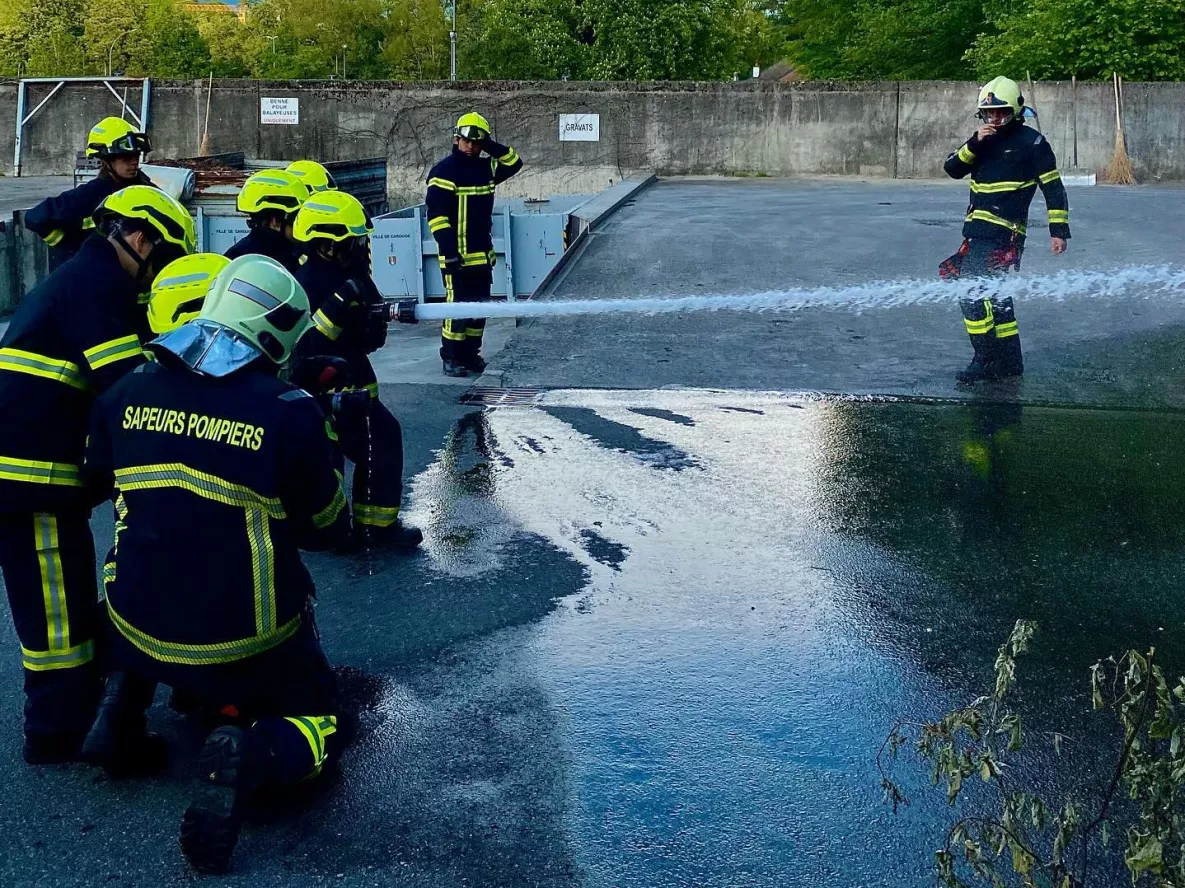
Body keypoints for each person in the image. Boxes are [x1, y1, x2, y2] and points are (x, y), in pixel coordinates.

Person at [82, 255, 352, 874]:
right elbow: (326, 530)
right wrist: (323, 433)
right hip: (243, 642)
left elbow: (100, 476)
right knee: (328, 718)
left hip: (133, 623)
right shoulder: (289, 410)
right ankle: (253, 754)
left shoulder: (125, 390)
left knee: (155, 557)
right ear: (279, 329)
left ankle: (121, 713)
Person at [0, 186, 194, 764]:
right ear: (140, 238)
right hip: (28, 479)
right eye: (162, 260)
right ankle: (55, 734)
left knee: (70, 590)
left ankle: (78, 713)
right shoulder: (98, 285)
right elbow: (128, 385)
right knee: (55, 610)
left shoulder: (85, 276)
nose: (155, 278)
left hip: (37, 471)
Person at [291, 191, 423, 550]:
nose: (361, 246)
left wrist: (373, 321)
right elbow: (307, 344)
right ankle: (353, 531)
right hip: (326, 394)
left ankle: (372, 526)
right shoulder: (306, 280)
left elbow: (368, 335)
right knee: (346, 457)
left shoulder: (352, 276)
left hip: (355, 387)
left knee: (379, 445)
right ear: (329, 242)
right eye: (354, 239)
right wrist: (341, 304)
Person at [942, 76, 1070, 385]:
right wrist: (974, 143)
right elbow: (952, 169)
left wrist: (1058, 229)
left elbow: (1053, 188)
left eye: (1001, 112)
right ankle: (1011, 362)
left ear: (1015, 110)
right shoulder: (981, 141)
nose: (995, 118)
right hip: (977, 233)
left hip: (1004, 235)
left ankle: (984, 360)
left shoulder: (1033, 143)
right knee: (997, 296)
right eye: (989, 113)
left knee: (970, 294)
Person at [425, 112, 523, 377]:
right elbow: (436, 216)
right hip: (456, 256)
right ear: (456, 139)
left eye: (477, 143)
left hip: (482, 255)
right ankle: (451, 357)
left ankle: (471, 354)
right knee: (457, 309)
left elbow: (514, 162)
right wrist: (448, 252)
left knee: (479, 309)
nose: (471, 147)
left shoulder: (486, 169)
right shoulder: (444, 172)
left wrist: (489, 144)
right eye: (467, 141)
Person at [25, 117, 155, 261]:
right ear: (106, 159)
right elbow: (34, 218)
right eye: (125, 156)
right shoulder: (91, 193)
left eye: (136, 155)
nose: (134, 162)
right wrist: (68, 245)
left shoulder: (145, 187)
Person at [224, 170, 310, 274]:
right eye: (296, 218)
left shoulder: (293, 252)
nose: (302, 226)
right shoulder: (240, 262)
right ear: (275, 221)